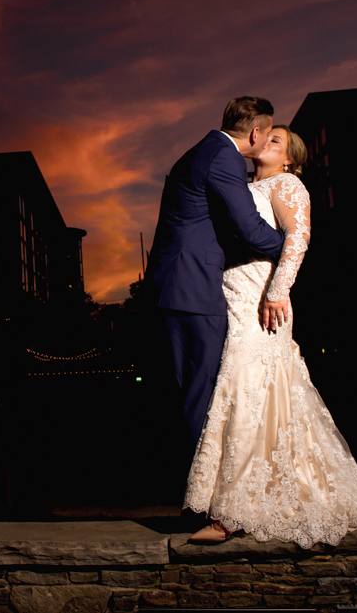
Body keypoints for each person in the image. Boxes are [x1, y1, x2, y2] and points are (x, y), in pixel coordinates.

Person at [184, 126, 357, 547]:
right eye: (266, 135)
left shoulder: (288, 184)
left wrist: (277, 292)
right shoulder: (243, 184)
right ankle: (260, 494)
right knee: (252, 390)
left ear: (290, 159)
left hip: (263, 297)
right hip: (231, 291)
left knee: (247, 387)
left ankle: (232, 512)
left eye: (278, 141)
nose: (266, 141)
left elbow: (297, 239)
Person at [146, 97, 286, 449]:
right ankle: (200, 499)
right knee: (201, 391)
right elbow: (250, 230)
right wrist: (293, 244)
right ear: (256, 132)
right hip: (193, 288)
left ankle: (197, 493)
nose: (267, 140)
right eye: (268, 134)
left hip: (175, 284)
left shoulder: (198, 152)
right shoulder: (224, 157)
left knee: (189, 390)